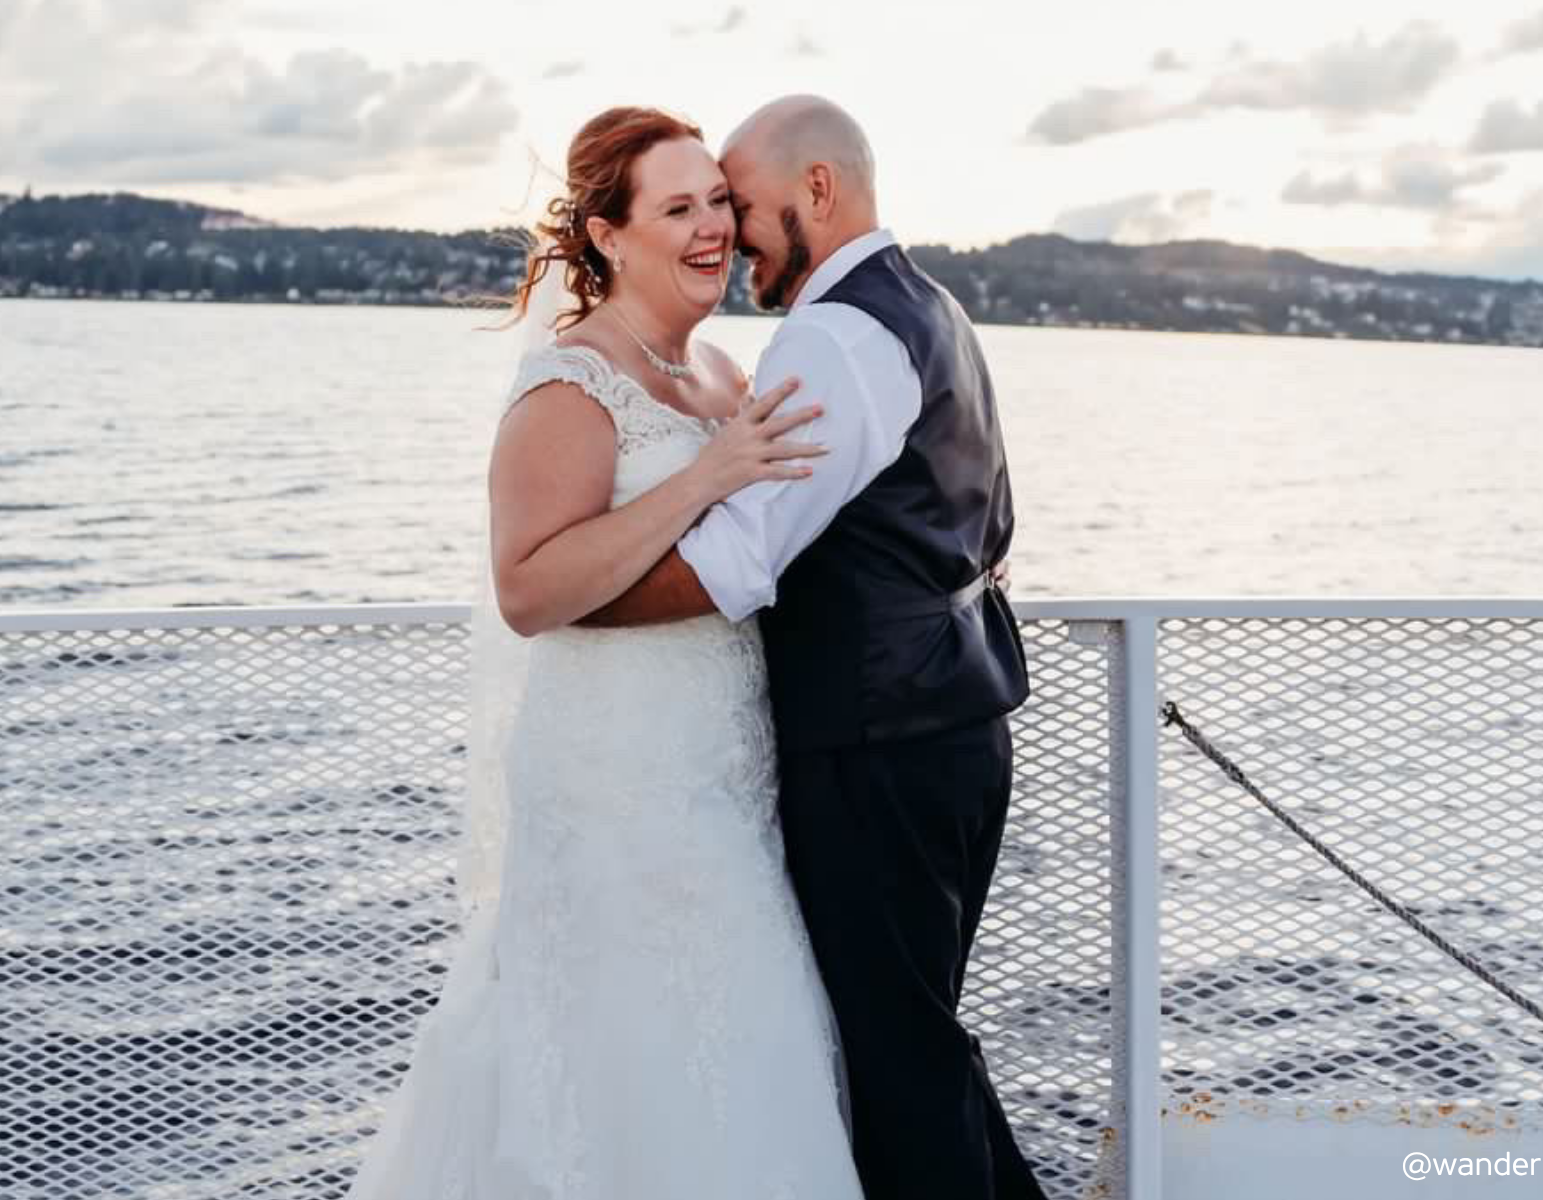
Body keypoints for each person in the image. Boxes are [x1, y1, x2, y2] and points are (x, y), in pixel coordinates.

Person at [340, 105, 865, 1199]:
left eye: (718, 200)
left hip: (724, 780)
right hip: (611, 783)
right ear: (609, 236)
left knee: (745, 1054)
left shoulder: (721, 375)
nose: (713, 228)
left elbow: (767, 552)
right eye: (677, 208)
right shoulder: (571, 386)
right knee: (624, 1073)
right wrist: (702, 479)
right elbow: (528, 589)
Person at [579, 94, 1044, 1200]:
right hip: (957, 729)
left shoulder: (833, 336)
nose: (729, 237)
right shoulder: (935, 311)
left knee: (895, 1062)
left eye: (741, 206)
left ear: (818, 191)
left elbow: (738, 563)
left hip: (875, 746)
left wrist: (576, 599)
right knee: (917, 1034)